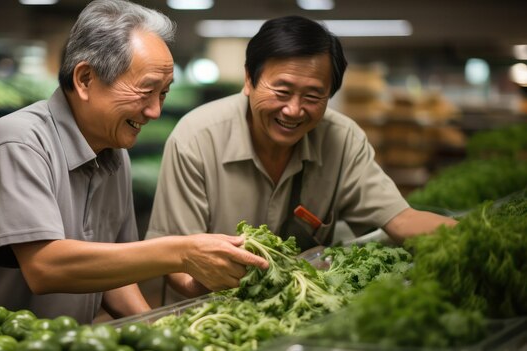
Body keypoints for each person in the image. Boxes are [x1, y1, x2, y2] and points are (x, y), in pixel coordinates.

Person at [0, 0, 268, 324]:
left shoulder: (113, 153)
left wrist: (156, 328)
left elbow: (112, 274)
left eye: (163, 93)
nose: (155, 111)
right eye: (146, 90)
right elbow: (45, 266)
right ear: (85, 79)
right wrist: (181, 252)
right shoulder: (18, 143)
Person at [146, 15, 457, 298]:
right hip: (207, 315)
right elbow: (172, 257)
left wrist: (474, 238)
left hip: (301, 311)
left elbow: (401, 220)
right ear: (249, 80)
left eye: (312, 96)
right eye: (281, 92)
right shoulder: (197, 138)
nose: (293, 110)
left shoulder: (342, 139)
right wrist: (209, 283)